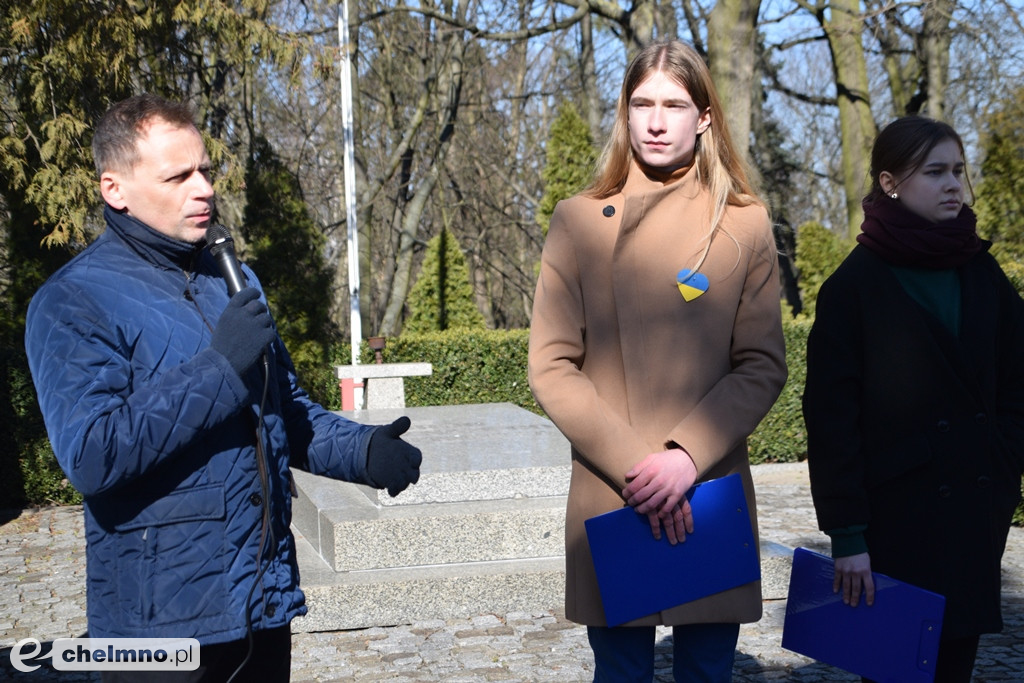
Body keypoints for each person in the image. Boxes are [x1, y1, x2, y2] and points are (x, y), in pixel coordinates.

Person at [24, 94, 422, 682]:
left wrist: (364, 452)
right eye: (178, 175)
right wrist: (218, 367)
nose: (203, 187)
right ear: (116, 189)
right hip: (158, 627)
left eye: (205, 169)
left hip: (262, 606)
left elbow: (284, 412)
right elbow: (92, 455)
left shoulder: (232, 279)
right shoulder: (71, 299)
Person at [528, 40, 787, 682]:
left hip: (706, 487)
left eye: (674, 104)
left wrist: (684, 458)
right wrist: (639, 468)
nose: (656, 119)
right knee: (619, 673)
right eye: (641, 103)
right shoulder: (578, 220)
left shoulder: (744, 223)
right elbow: (552, 364)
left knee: (706, 672)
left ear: (704, 117)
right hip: (613, 488)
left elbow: (760, 363)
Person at [803, 116, 1024, 682]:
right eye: (935, 172)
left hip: (975, 517)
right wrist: (847, 537)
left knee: (954, 671)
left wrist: (1002, 468)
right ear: (890, 183)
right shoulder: (853, 288)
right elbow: (832, 425)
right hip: (893, 529)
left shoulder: (981, 271)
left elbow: (1017, 385)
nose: (954, 184)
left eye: (957, 170)